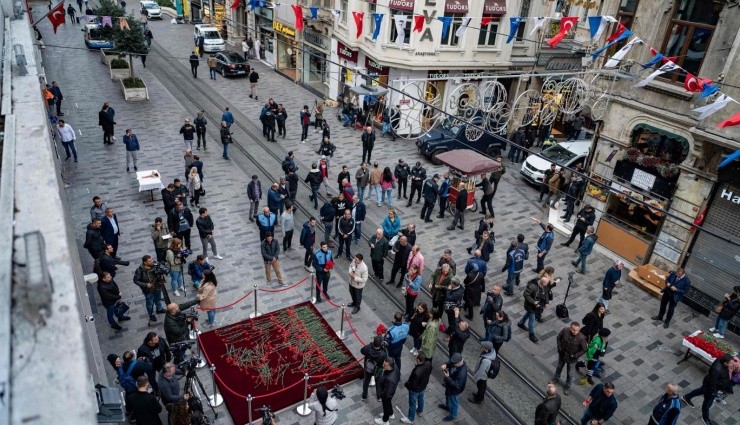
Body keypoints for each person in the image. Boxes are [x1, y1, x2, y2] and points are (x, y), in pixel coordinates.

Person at [551, 322, 587, 395]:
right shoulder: (565, 330)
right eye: (573, 330)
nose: (575, 332)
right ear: (570, 328)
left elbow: (584, 349)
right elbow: (559, 337)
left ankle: (567, 386)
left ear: (579, 329)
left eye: (577, 330)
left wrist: (576, 355)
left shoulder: (581, 338)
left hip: (572, 358)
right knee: (559, 367)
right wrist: (559, 348)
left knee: (570, 373)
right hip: (563, 354)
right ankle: (556, 378)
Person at [400, 352, 433, 424]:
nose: (415, 357)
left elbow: (413, 384)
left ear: (418, 360)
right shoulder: (428, 364)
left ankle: (410, 418)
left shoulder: (417, 371)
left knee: (412, 404)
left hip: (415, 390)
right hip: (423, 386)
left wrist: (407, 385)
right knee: (421, 399)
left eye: (416, 357)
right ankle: (420, 411)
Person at [134, 255, 166, 324]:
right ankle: (151, 314)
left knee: (158, 298)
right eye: (150, 261)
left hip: (158, 286)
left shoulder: (155, 264)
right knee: (150, 303)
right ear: (145, 262)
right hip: (148, 289)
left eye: (152, 260)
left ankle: (159, 309)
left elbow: (163, 269)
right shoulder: (140, 270)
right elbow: (136, 280)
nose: (152, 261)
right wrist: (146, 285)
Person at [518, 276, 551, 343]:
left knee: (528, 314)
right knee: (532, 320)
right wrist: (533, 302)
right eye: (546, 283)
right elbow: (526, 294)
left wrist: (547, 302)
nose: (547, 285)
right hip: (530, 306)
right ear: (542, 283)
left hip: (537, 306)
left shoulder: (544, 286)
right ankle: (531, 334)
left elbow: (546, 293)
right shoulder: (532, 286)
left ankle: (521, 323)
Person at [439, 353, 467, 421]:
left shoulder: (462, 373)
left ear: (459, 362)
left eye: (454, 363)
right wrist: (445, 364)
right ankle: (448, 407)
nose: (453, 364)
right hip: (450, 386)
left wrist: (448, 378)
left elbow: (457, 385)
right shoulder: (457, 361)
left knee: (454, 402)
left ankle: (452, 416)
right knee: (448, 396)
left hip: (455, 390)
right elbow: (450, 362)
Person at [469, 340, 496, 404]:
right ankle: (479, 395)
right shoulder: (490, 353)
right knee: (482, 387)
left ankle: (478, 400)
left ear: (486, 349)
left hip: (482, 376)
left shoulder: (486, 360)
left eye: (483, 347)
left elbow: (481, 371)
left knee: (480, 387)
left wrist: (475, 378)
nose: (481, 347)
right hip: (484, 376)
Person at [360, 336, 387, 401]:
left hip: (368, 368)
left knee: (366, 381)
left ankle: (364, 395)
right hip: (378, 369)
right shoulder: (383, 354)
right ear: (380, 343)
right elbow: (385, 361)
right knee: (378, 382)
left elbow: (362, 351)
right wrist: (384, 348)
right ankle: (379, 396)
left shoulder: (367, 348)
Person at [374, 358, 400, 425]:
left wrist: (381, 394)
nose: (383, 365)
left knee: (386, 406)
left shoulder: (390, 379)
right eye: (383, 363)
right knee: (388, 404)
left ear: (389, 366)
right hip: (390, 392)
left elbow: (387, 394)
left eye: (385, 365)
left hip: (387, 394)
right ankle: (391, 414)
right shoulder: (395, 366)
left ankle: (385, 420)